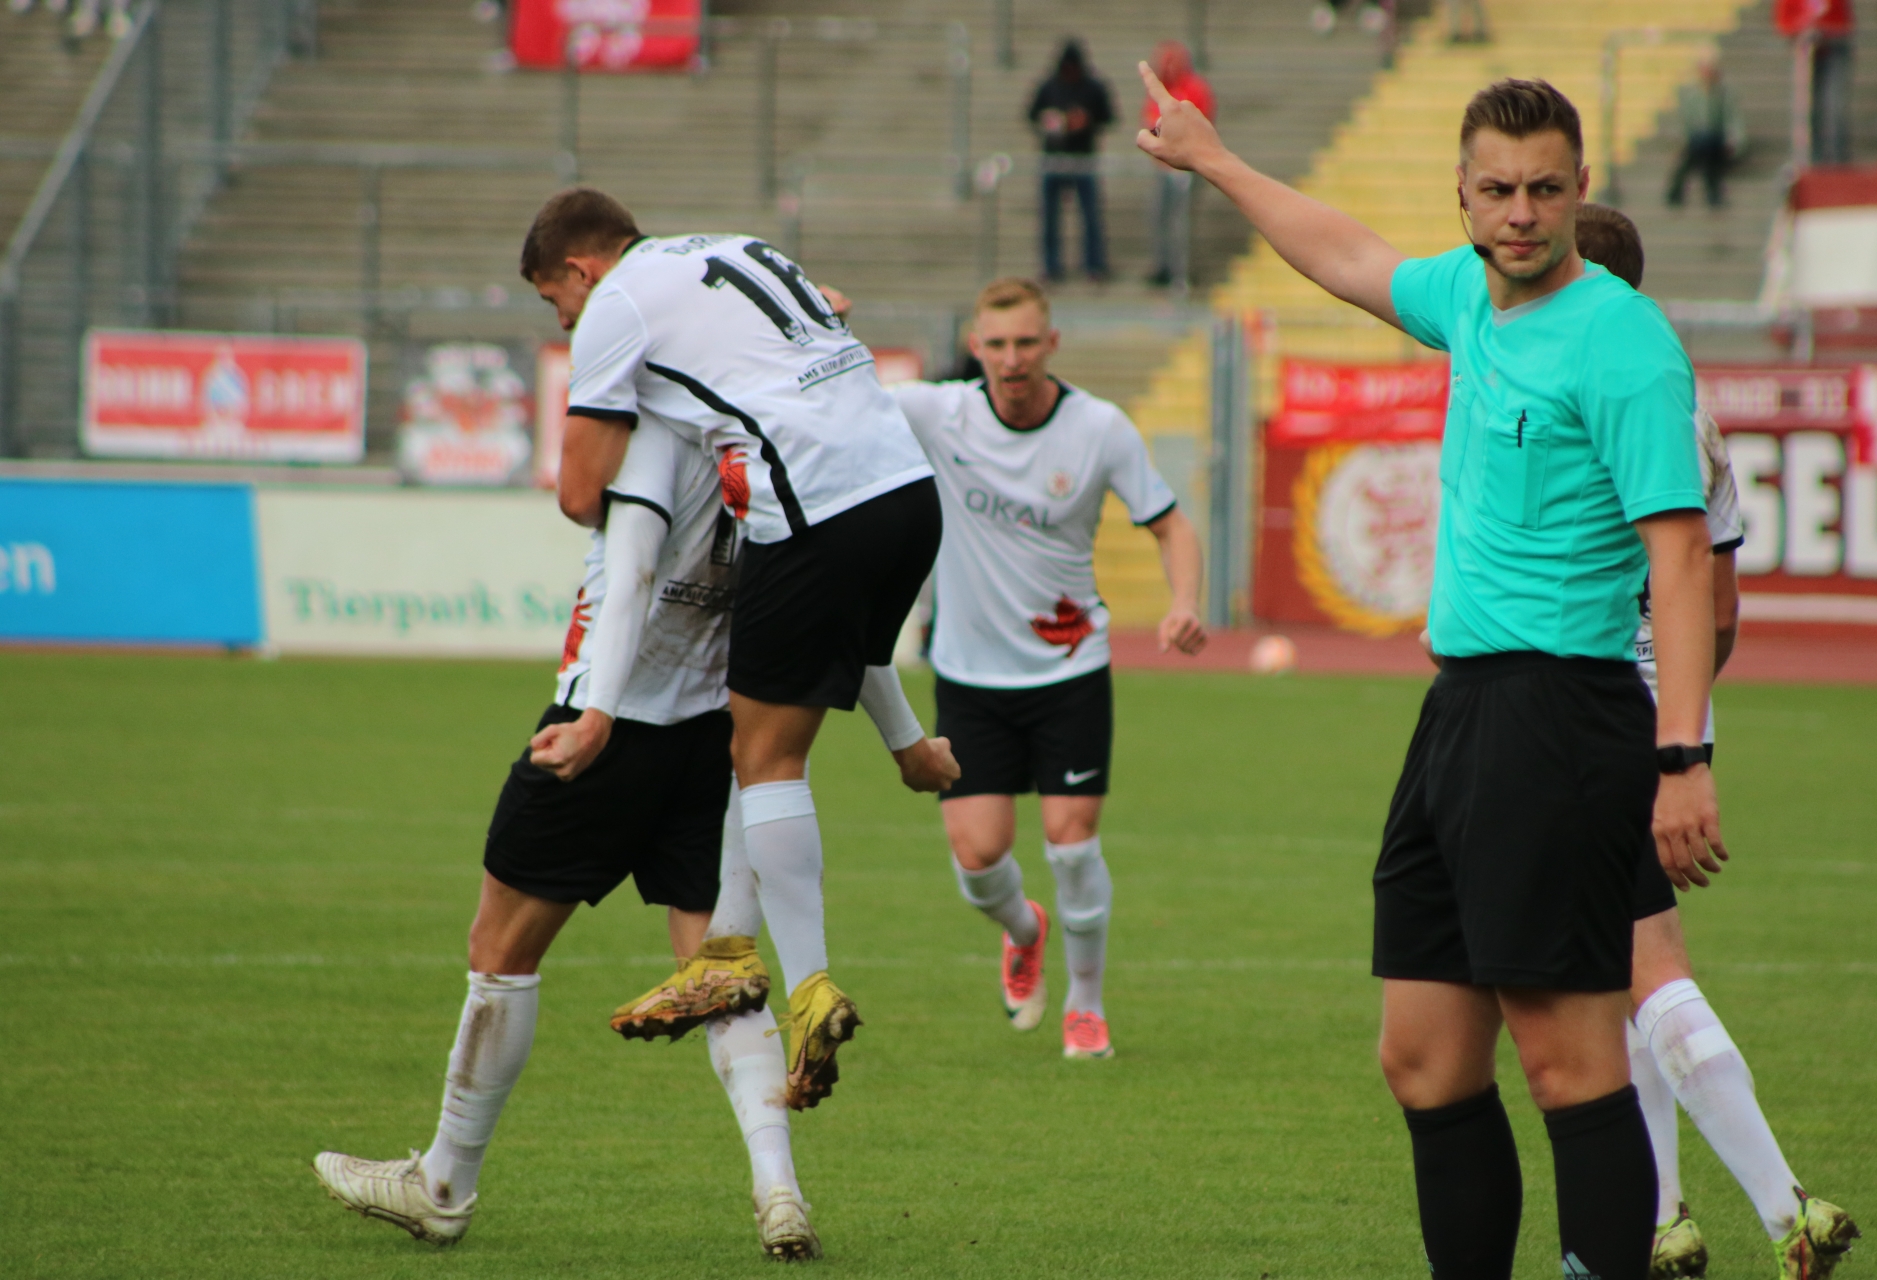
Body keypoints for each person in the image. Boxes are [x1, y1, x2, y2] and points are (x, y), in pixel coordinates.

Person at [1142, 71, 1729, 1280]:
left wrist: (1683, 755)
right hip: (1460, 712)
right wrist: (1214, 160)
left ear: (1580, 190)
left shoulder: (1621, 338)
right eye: (1499, 189)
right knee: (1424, 1059)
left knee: (1570, 1062)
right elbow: (1346, 254)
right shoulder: (1466, 293)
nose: (1521, 212)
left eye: (1546, 190)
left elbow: (1679, 558)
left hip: (1563, 715)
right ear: (1462, 191)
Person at [518, 189, 960, 1120]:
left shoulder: (617, 305)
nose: (563, 321)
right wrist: (909, 746)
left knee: (766, 760)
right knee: (751, 717)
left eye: (555, 301)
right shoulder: (738, 247)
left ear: (580, 270)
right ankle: (722, 950)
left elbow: (578, 493)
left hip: (812, 507)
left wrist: (627, 413)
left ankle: (811, 987)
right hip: (907, 497)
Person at [311, 404, 773, 1245]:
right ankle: (781, 1190)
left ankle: (444, 1183)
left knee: (500, 951)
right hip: (713, 735)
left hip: (607, 723)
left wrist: (596, 718)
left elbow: (586, 505)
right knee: (717, 969)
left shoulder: (654, 423)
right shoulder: (770, 436)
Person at [1575, 204, 1860, 1280]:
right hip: (1670, 715)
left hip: (1576, 713)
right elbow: (1723, 605)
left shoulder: (1571, 394)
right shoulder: (1688, 408)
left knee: (1646, 968)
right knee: (1623, 970)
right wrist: (1681, 726)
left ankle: (1788, 1207)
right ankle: (1665, 1222)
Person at [887, 277, 1206, 1060]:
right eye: (996, 344)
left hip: (1068, 670)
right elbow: (837, 395)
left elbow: (1171, 526)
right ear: (975, 347)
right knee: (977, 858)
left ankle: (1085, 1007)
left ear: (1052, 343)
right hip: (969, 676)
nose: (1012, 358)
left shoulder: (1099, 428)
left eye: (1027, 342)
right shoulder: (937, 412)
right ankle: (1023, 930)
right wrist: (820, 321)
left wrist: (1184, 602)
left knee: (1072, 842)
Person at [1028, 40, 1114, 283]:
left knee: (1090, 214)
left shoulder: (1092, 88)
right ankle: (1051, 265)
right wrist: (1051, 121)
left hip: (1083, 159)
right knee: (1050, 216)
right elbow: (1032, 114)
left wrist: (1087, 120)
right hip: (1054, 158)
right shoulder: (1050, 87)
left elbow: (1108, 116)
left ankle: (1094, 264)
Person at [1141, 41, 1215, 290]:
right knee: (1159, 217)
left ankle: (1180, 271)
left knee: (1181, 221)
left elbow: (1201, 122)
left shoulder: (1193, 88)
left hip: (1186, 165)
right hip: (1164, 166)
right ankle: (1162, 266)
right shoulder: (1161, 90)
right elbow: (1150, 121)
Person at [1777, 0, 1854, 163]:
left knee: (1835, 105)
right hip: (1805, 50)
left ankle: (1838, 159)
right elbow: (1784, 21)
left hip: (1834, 48)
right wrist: (1801, 28)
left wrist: (1824, 30)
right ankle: (1812, 159)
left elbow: (1844, 21)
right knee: (1808, 108)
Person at [1667, 59, 1745, 208]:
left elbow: (1732, 120)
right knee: (1701, 153)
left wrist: (1736, 142)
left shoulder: (1723, 96)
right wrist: (1682, 141)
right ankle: (1711, 194)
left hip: (1715, 139)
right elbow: (1686, 122)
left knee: (1704, 153)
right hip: (1697, 141)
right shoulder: (1692, 97)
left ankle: (1677, 193)